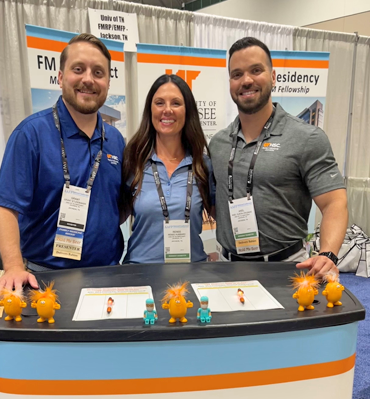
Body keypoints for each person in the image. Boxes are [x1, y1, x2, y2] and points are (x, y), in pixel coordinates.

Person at [0, 33, 125, 296]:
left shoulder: (116, 140)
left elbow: (117, 205)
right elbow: (5, 207)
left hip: (108, 274)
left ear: (108, 83)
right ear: (61, 77)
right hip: (45, 278)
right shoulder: (31, 134)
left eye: (98, 72)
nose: (88, 79)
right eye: (78, 69)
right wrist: (13, 266)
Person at [209, 37, 348, 276]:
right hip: (227, 267)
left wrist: (327, 254)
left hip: (286, 268)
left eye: (256, 70)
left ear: (273, 77)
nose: (247, 80)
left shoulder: (307, 138)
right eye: (237, 74)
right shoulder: (219, 143)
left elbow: (334, 202)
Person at [122, 74, 215, 264]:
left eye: (176, 103)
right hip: (139, 275)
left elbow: (222, 218)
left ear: (187, 110)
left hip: (192, 274)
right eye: (159, 103)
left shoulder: (202, 165)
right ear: (150, 109)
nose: (167, 110)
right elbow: (111, 217)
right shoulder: (133, 162)